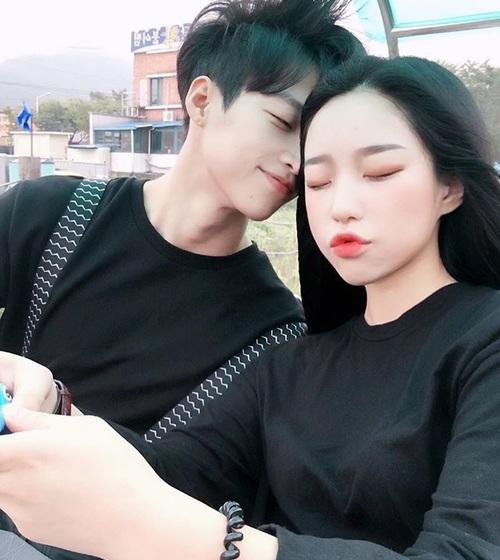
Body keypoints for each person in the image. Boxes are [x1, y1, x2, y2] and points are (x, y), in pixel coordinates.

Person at [3, 53, 500, 559]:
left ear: (451, 186)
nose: (341, 206)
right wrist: (47, 408)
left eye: (380, 171)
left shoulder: (485, 340)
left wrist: (198, 539)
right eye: (319, 183)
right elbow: (171, 470)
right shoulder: (290, 365)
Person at [0, 0, 363, 434]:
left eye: (312, 145)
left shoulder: (277, 337)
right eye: (283, 122)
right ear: (202, 100)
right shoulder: (48, 215)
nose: (297, 162)